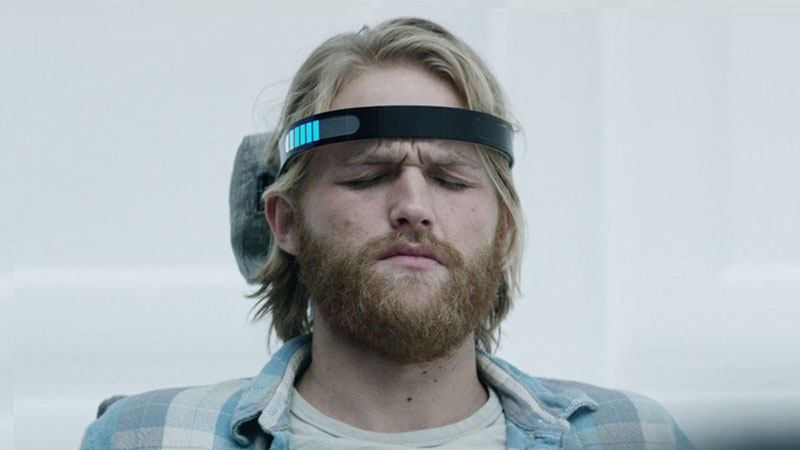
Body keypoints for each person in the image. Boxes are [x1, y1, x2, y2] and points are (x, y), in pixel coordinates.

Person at [81, 17, 693, 450]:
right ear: (285, 221)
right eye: (367, 176)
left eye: (451, 179)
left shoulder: (634, 437)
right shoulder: (149, 437)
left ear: (504, 229)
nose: (413, 207)